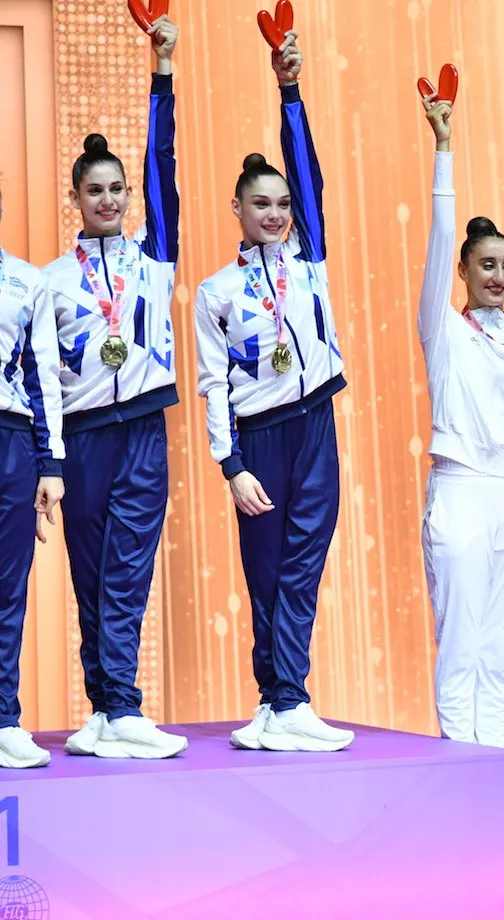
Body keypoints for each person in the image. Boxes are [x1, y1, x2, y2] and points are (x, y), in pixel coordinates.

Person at [192, 31, 353, 753]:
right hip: (258, 439)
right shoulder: (215, 292)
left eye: (283, 202)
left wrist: (289, 89)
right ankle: (276, 701)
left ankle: (287, 699)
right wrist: (232, 467)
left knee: (301, 565)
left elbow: (310, 177)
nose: (277, 213)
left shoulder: (308, 260)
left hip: (314, 423)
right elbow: (211, 385)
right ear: (237, 208)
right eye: (262, 203)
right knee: (266, 574)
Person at [44, 12, 185, 759]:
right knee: (90, 572)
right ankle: (103, 709)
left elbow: (162, 162)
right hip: (82, 440)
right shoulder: (52, 281)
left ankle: (124, 705)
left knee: (127, 565)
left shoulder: (152, 259)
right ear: (76, 197)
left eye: (118, 189)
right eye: (95, 190)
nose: (109, 200)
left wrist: (161, 71)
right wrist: (50, 459)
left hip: (142, 432)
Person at [417, 85, 504, 823]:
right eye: (484, 265)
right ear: (463, 273)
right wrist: (444, 146)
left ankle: (492, 786)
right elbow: (439, 236)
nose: (498, 276)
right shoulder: (445, 325)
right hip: (462, 487)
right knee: (460, 637)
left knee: (499, 646)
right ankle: (457, 782)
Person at [0, 188, 65, 768]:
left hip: (11, 442)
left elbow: (43, 374)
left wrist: (50, 464)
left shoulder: (27, 283)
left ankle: (2, 718)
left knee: (6, 587)